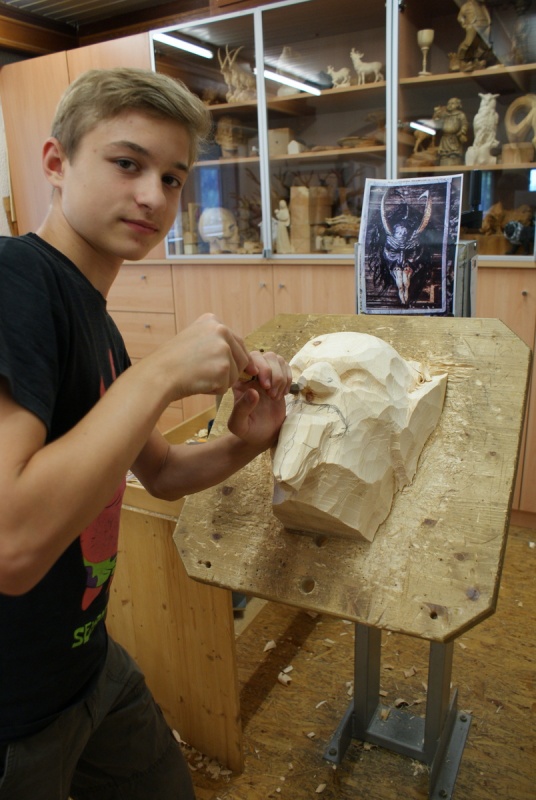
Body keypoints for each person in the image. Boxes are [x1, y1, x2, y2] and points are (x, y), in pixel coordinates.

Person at [0, 67, 291, 799]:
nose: (153, 197)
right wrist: (159, 375)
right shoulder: (14, 281)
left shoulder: (95, 321)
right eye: (127, 163)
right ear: (56, 163)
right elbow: (11, 546)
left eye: (172, 178)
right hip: (13, 717)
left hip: (89, 666)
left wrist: (248, 440)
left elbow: (159, 472)